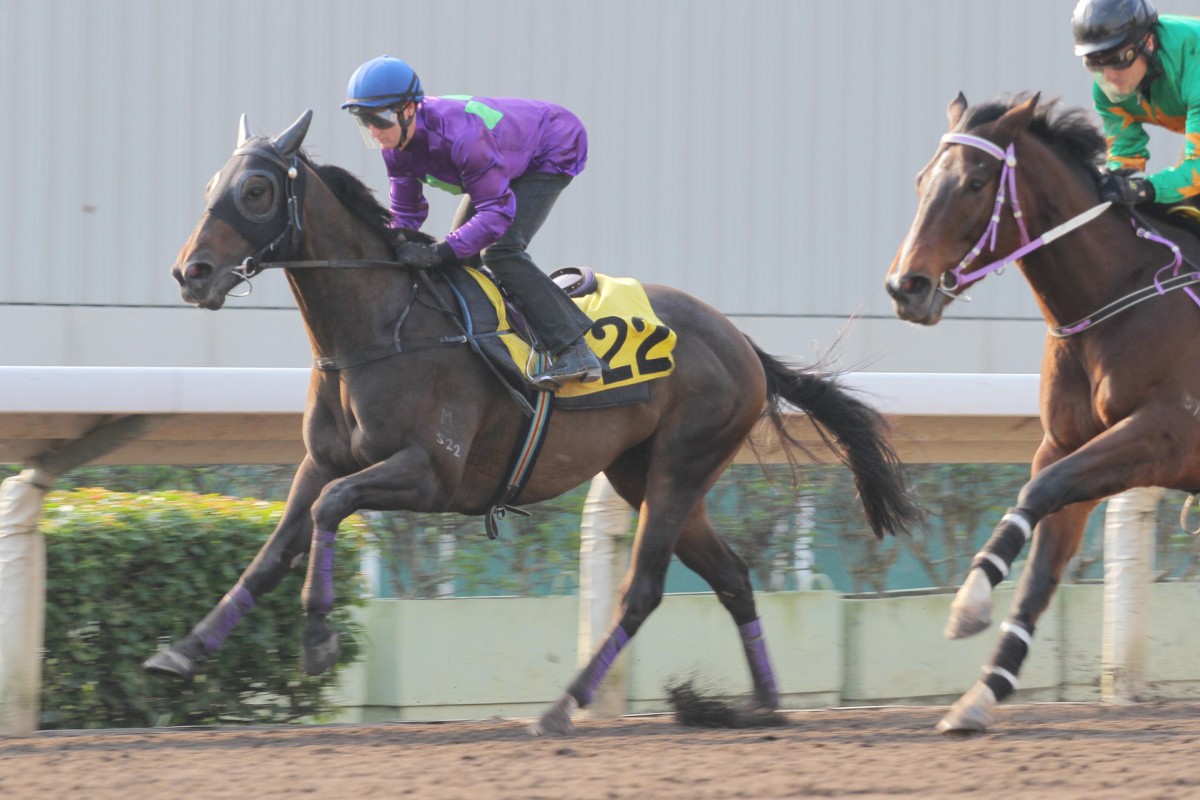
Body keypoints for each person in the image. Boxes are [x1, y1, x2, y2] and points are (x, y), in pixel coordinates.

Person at [340, 55, 602, 390]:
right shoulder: (394, 147)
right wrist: (391, 246)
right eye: (365, 121)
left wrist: (439, 252)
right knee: (462, 253)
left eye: (379, 118)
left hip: (553, 145)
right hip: (501, 159)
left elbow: (496, 214)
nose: (374, 131)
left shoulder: (463, 138)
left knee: (500, 251)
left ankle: (574, 349)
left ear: (408, 109)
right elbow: (407, 215)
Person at [1072, 0, 1200, 206]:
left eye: (1120, 58)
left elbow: (1197, 168)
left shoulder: (1195, 64)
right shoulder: (1106, 92)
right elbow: (1125, 157)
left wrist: (1147, 189)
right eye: (1096, 63)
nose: (1110, 76)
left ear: (1148, 42)